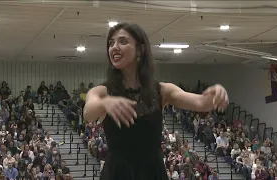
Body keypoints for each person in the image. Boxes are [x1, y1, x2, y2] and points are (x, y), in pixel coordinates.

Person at [83, 22, 229, 180]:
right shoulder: (102, 92)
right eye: (111, 43)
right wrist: (105, 103)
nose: (114, 47)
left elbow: (202, 103)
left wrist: (217, 93)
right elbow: (88, 112)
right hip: (118, 173)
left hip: (153, 172)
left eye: (123, 41)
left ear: (140, 50)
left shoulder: (162, 90)